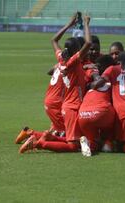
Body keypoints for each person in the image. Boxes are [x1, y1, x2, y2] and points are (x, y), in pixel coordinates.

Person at [19, 13, 92, 153]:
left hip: (65, 103)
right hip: (72, 105)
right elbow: (88, 43)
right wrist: (86, 24)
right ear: (76, 51)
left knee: (65, 134)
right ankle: (38, 143)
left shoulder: (61, 58)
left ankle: (32, 134)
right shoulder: (73, 61)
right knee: (72, 144)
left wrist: (69, 24)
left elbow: (54, 40)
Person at [78, 55, 117, 156]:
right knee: (117, 112)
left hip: (82, 115)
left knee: (93, 140)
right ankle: (108, 142)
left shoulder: (89, 82)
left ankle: (88, 143)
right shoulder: (111, 82)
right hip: (101, 113)